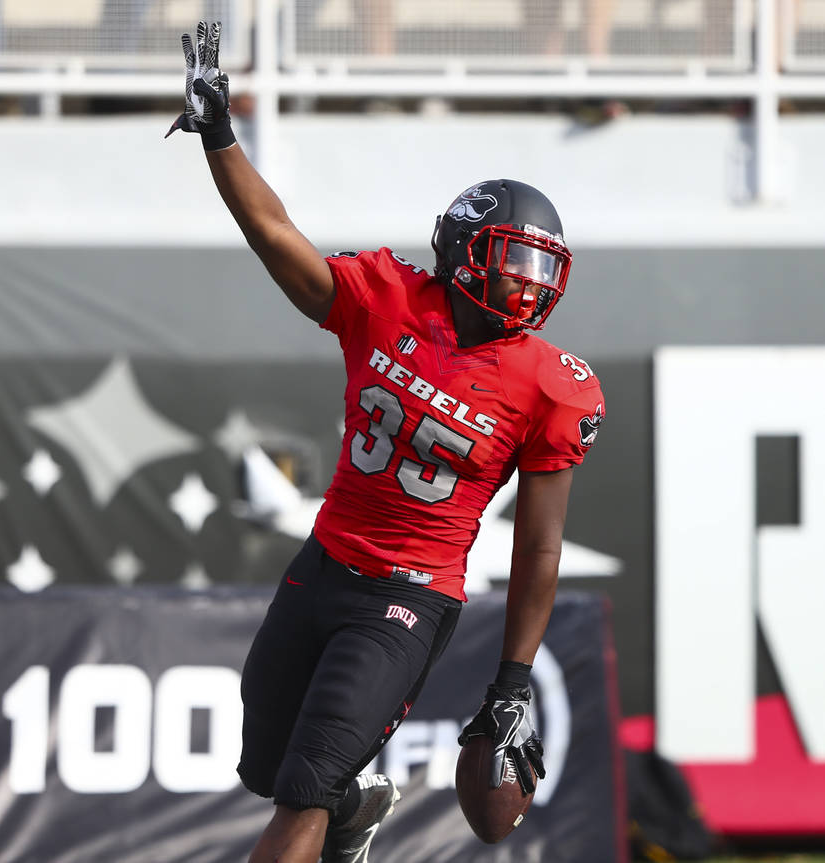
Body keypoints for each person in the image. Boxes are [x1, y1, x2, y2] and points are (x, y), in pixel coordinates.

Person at [166, 21, 605, 863]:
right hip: (323, 563)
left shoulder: (551, 383)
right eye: (512, 259)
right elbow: (279, 240)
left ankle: (333, 799)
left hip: (408, 599)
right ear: (463, 248)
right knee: (268, 767)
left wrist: (511, 684)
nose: (527, 283)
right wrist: (220, 135)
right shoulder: (389, 299)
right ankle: (356, 804)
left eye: (541, 269)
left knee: (299, 790)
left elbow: (540, 545)